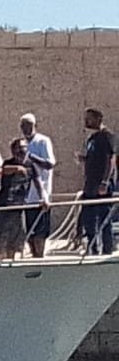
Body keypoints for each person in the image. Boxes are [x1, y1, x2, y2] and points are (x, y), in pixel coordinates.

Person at [0, 138, 48, 261]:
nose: (21, 151)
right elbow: (4, 170)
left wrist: (44, 198)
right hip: (3, 207)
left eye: (24, 148)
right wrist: (16, 169)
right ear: (13, 151)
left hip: (18, 208)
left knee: (15, 241)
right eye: (18, 148)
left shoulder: (31, 165)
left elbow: (38, 182)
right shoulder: (8, 163)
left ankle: (11, 263)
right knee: (0, 241)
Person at [77, 108, 117, 255]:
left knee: (103, 217)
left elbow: (110, 160)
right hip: (90, 185)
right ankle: (92, 248)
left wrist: (105, 182)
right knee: (88, 218)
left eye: (89, 118)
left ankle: (107, 249)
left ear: (99, 118)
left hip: (101, 185)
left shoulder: (106, 136)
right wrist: (84, 159)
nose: (86, 121)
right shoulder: (92, 139)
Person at [20, 113, 56, 257]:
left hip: (41, 195)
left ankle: (40, 256)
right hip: (26, 195)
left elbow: (49, 164)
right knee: (30, 231)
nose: (26, 128)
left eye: (29, 125)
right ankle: (33, 255)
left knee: (41, 231)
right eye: (23, 125)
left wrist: (31, 157)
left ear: (35, 125)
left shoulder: (43, 141)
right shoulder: (21, 143)